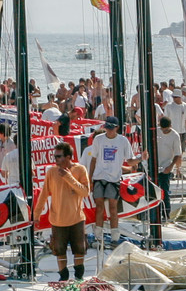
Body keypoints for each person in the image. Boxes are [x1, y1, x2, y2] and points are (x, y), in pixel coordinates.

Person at [34, 140, 91, 282]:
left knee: (79, 250)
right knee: (59, 251)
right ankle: (63, 278)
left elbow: (85, 192)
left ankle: (79, 277)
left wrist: (68, 177)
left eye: (58, 156)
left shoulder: (80, 169)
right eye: (55, 156)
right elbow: (43, 194)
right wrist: (36, 215)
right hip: (57, 220)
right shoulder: (51, 172)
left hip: (77, 219)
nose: (56, 159)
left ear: (68, 157)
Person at [85, 117, 137, 245]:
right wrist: (90, 179)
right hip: (99, 177)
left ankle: (115, 237)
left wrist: (141, 158)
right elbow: (93, 160)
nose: (109, 130)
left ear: (117, 128)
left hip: (114, 178)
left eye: (111, 128)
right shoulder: (98, 139)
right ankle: (98, 237)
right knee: (99, 207)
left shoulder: (123, 141)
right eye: (107, 128)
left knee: (113, 208)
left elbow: (130, 160)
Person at [154, 116, 182, 222]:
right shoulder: (156, 132)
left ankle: (166, 214)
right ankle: (153, 213)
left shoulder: (175, 135)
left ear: (170, 126)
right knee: (153, 191)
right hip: (154, 166)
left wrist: (171, 166)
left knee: (164, 191)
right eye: (162, 129)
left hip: (166, 167)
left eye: (166, 130)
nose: (164, 131)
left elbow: (178, 154)